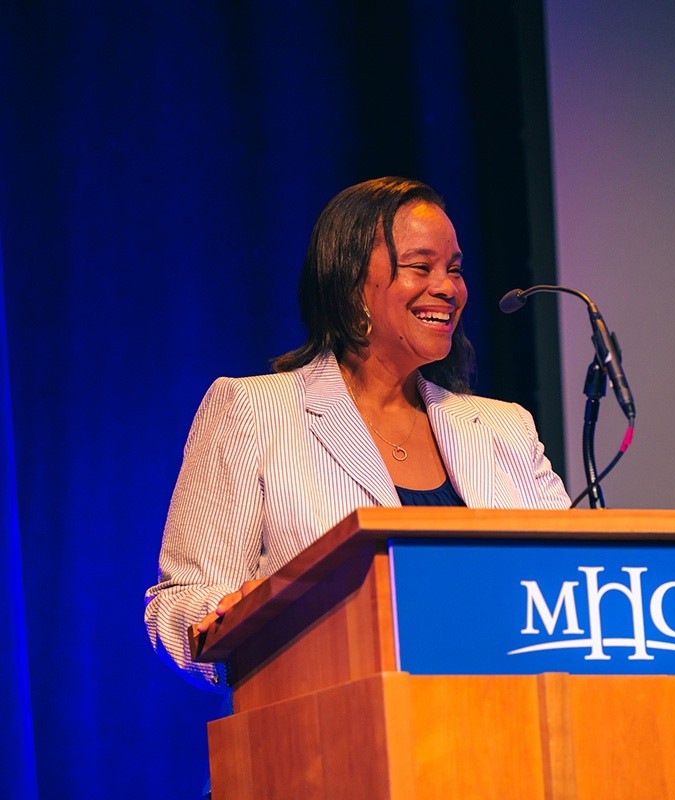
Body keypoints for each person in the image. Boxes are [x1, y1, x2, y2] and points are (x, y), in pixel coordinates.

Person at [144, 177, 570, 689]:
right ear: (351, 284)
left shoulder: (505, 429)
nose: (448, 288)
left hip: (504, 730)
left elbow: (567, 587)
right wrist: (233, 615)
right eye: (420, 266)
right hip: (334, 738)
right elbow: (177, 607)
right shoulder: (255, 412)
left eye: (455, 269)